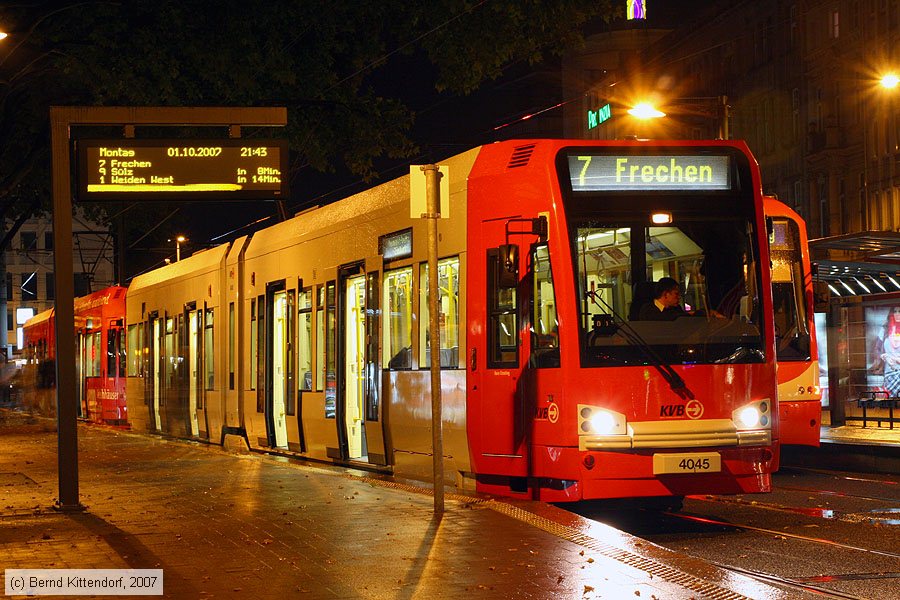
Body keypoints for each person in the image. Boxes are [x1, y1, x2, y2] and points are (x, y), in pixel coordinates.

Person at [876, 307, 900, 396]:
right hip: (890, 372)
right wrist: (884, 356)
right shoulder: (884, 329)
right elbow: (877, 349)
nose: (897, 314)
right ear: (891, 314)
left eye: (899, 311)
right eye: (895, 311)